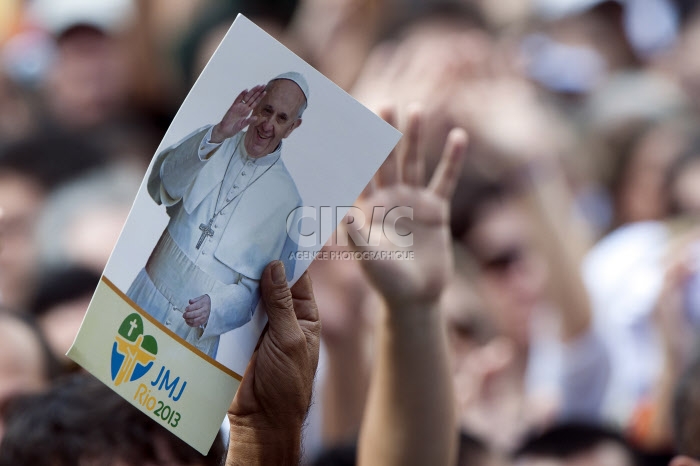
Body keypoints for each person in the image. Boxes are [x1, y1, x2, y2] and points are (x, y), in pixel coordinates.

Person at [127, 72, 308, 358]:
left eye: (281, 119)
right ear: (257, 104)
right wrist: (219, 133)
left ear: (293, 127)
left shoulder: (289, 201)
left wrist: (216, 307)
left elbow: (257, 293)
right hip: (145, 299)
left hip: (195, 334)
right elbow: (165, 183)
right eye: (266, 111)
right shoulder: (214, 139)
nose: (268, 125)